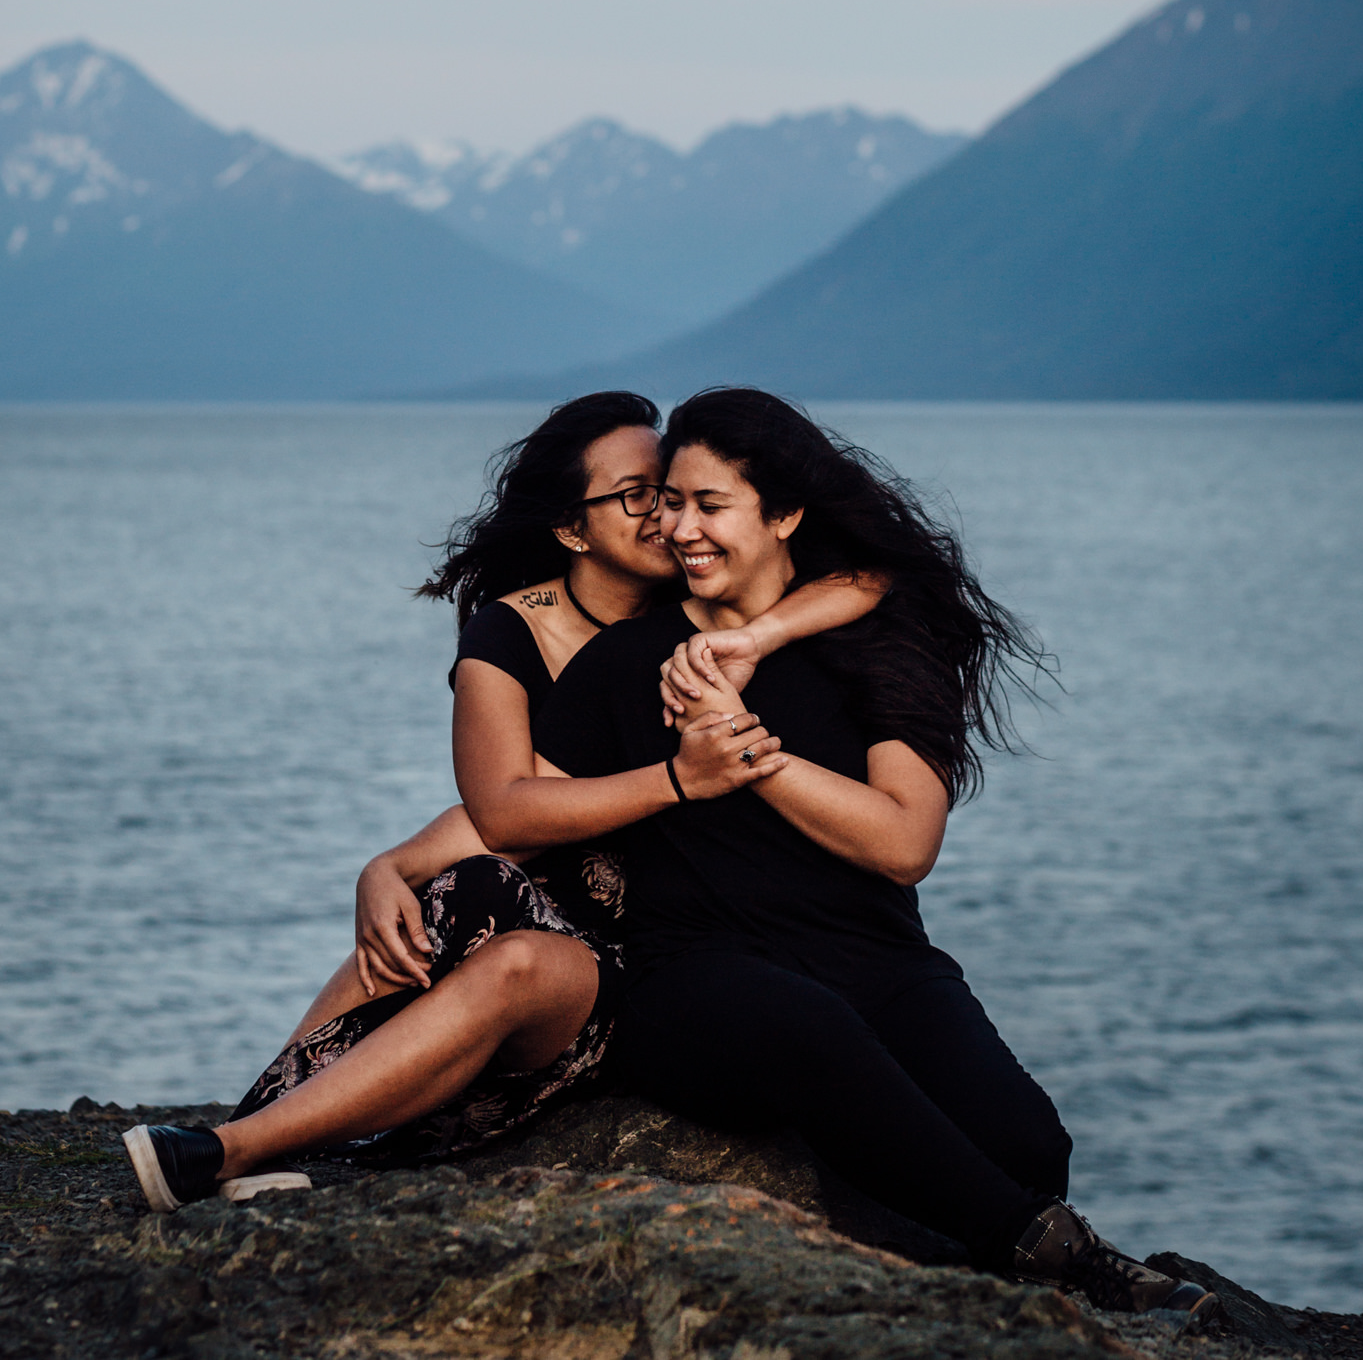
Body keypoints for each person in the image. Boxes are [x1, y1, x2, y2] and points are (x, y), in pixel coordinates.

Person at [517, 386, 1217, 1322]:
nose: (679, 529)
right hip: (691, 975)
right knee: (806, 1026)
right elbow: (531, 809)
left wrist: (742, 746)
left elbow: (903, 843)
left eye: (709, 506)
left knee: (1026, 1142)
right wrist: (394, 868)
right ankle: (1060, 1253)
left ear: (785, 515)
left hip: (873, 958)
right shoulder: (622, 663)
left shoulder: (878, 646)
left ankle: (1001, 1233)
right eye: (668, 502)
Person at [122, 390, 887, 1213]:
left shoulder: (707, 591)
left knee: (495, 923)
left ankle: (235, 1142)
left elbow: (868, 573)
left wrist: (757, 639)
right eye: (638, 497)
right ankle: (240, 1139)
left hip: (664, 948)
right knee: (460, 896)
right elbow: (506, 813)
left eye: (671, 491)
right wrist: (389, 866)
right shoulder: (511, 634)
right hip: (527, 915)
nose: (669, 519)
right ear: (570, 528)